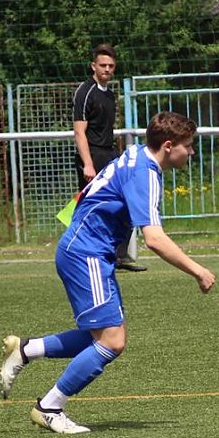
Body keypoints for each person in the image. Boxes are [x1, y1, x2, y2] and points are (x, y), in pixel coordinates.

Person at [0, 111, 216, 433]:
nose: (192, 152)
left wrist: (80, 232)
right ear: (169, 146)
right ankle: (49, 407)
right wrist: (198, 271)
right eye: (189, 145)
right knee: (112, 342)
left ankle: (27, 349)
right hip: (86, 256)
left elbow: (88, 195)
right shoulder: (145, 173)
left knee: (98, 335)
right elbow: (154, 239)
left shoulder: (132, 154)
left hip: (85, 253)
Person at [72, 43, 146, 272]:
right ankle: (77, 250)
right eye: (103, 65)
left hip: (110, 154)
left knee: (128, 200)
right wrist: (88, 164)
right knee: (89, 207)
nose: (107, 69)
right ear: (93, 66)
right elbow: (79, 132)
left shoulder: (110, 93)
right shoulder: (85, 92)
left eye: (111, 66)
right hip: (93, 156)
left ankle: (119, 255)